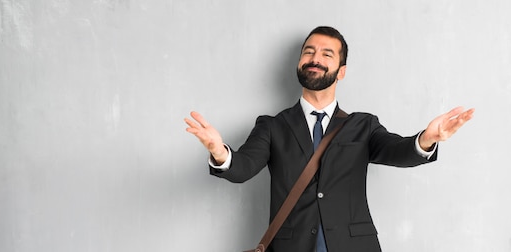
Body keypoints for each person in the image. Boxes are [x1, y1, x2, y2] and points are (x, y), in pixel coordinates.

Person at [184, 26, 474, 252]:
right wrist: (219, 151)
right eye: (308, 52)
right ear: (299, 63)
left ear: (341, 71)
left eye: (326, 54)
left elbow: (397, 151)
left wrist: (425, 139)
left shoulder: (363, 125)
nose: (315, 59)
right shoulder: (273, 126)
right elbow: (242, 167)